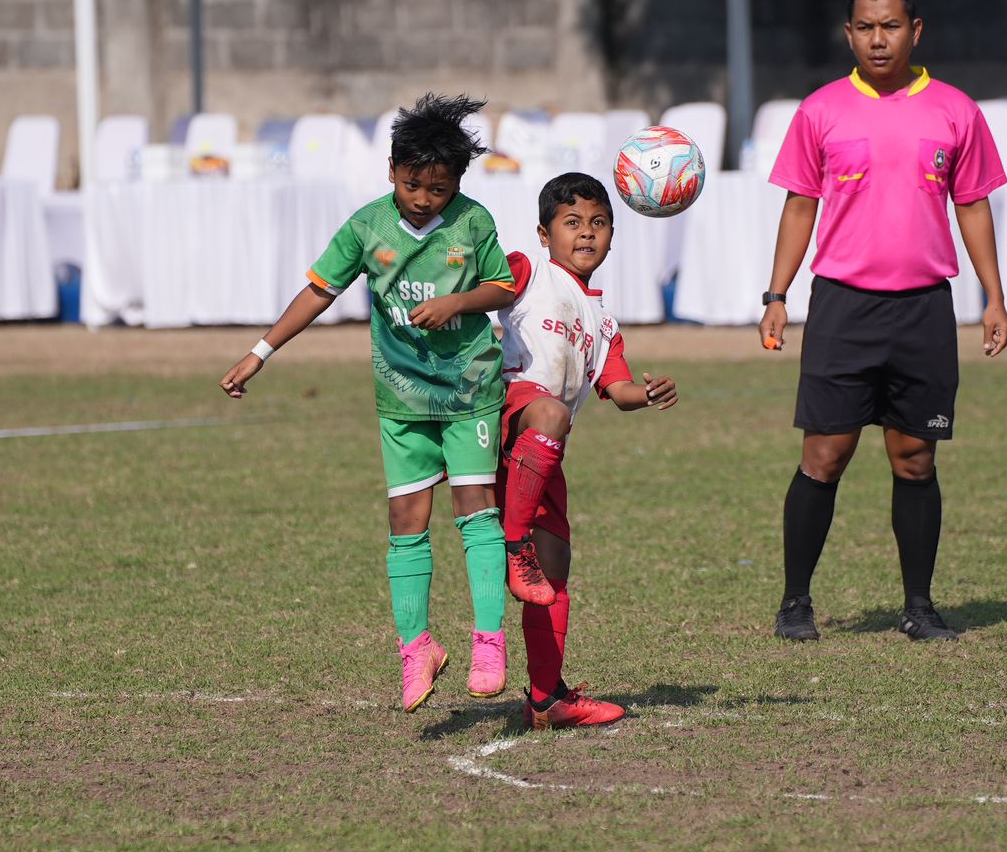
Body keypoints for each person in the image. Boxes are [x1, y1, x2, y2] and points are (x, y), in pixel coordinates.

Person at [219, 94, 540, 713]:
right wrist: (260, 351)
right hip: (401, 399)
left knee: (475, 508)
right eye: (415, 183)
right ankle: (417, 648)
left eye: (439, 188)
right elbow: (318, 291)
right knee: (405, 524)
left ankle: (488, 640)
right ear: (392, 168)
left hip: (469, 390)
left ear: (457, 184)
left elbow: (503, 285)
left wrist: (457, 303)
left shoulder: (472, 223)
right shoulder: (367, 227)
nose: (424, 198)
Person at [758, 0, 1007, 643]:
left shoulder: (956, 110)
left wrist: (994, 296)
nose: (878, 40)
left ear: (915, 29)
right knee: (824, 455)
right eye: (865, 28)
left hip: (924, 308)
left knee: (914, 458)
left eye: (890, 26)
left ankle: (919, 607)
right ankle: (795, 603)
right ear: (849, 33)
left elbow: (974, 204)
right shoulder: (820, 110)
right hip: (843, 306)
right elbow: (799, 205)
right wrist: (777, 295)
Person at [495, 173, 678, 729]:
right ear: (544, 234)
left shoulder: (603, 322)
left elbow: (617, 389)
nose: (587, 233)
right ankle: (511, 546)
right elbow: (486, 286)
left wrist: (645, 394)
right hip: (513, 422)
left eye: (598, 223)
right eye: (572, 223)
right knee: (549, 409)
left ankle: (547, 699)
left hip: (545, 456)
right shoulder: (530, 270)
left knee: (554, 571)